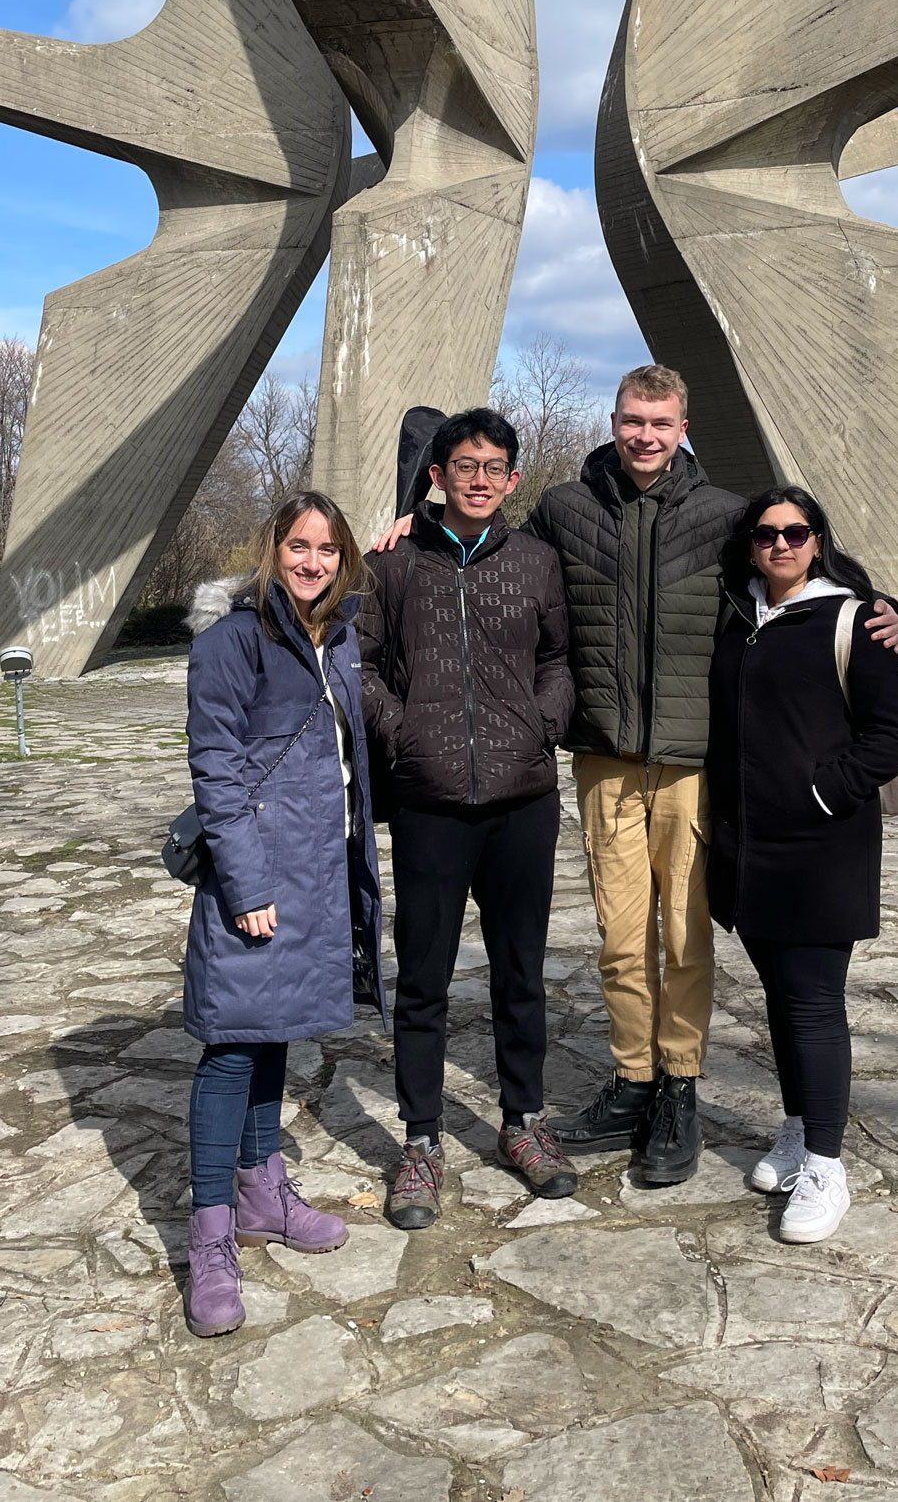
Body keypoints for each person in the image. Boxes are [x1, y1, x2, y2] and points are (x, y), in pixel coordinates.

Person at [529, 365, 898, 1185]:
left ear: (683, 425)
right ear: (616, 419)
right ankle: (633, 1079)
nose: (646, 435)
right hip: (604, 758)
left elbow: (811, 560)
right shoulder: (564, 507)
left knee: (684, 937)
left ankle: (680, 1088)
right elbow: (506, 564)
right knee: (621, 939)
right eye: (633, 419)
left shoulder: (728, 515)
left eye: (661, 421)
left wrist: (885, 606)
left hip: (695, 763)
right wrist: (418, 516)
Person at [358, 408, 577, 1230]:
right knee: (423, 979)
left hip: (523, 800)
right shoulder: (394, 564)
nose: (479, 478)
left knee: (521, 973)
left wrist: (543, 724)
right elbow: (363, 662)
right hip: (432, 803)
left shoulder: (537, 562)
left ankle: (523, 1121)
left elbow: (559, 659)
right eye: (464, 465)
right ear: (437, 475)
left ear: (513, 478)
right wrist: (405, 732)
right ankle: (420, 1138)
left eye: (494, 466)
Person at [179, 491, 386, 1337]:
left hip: (317, 870)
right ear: (273, 548)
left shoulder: (336, 637)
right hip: (257, 875)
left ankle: (266, 1193)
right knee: (232, 1048)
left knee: (274, 1032)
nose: (312, 561)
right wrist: (247, 886)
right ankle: (210, 1237)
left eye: (328, 549)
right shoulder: (233, 641)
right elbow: (216, 770)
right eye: (299, 546)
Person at [707, 486, 898, 1242]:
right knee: (779, 996)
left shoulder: (855, 619)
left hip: (821, 847)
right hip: (747, 849)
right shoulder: (738, 615)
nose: (781, 544)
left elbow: (891, 734)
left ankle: (828, 1163)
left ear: (818, 540)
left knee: (815, 1000)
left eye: (796, 532)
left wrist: (824, 793)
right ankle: (797, 1128)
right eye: (766, 534)